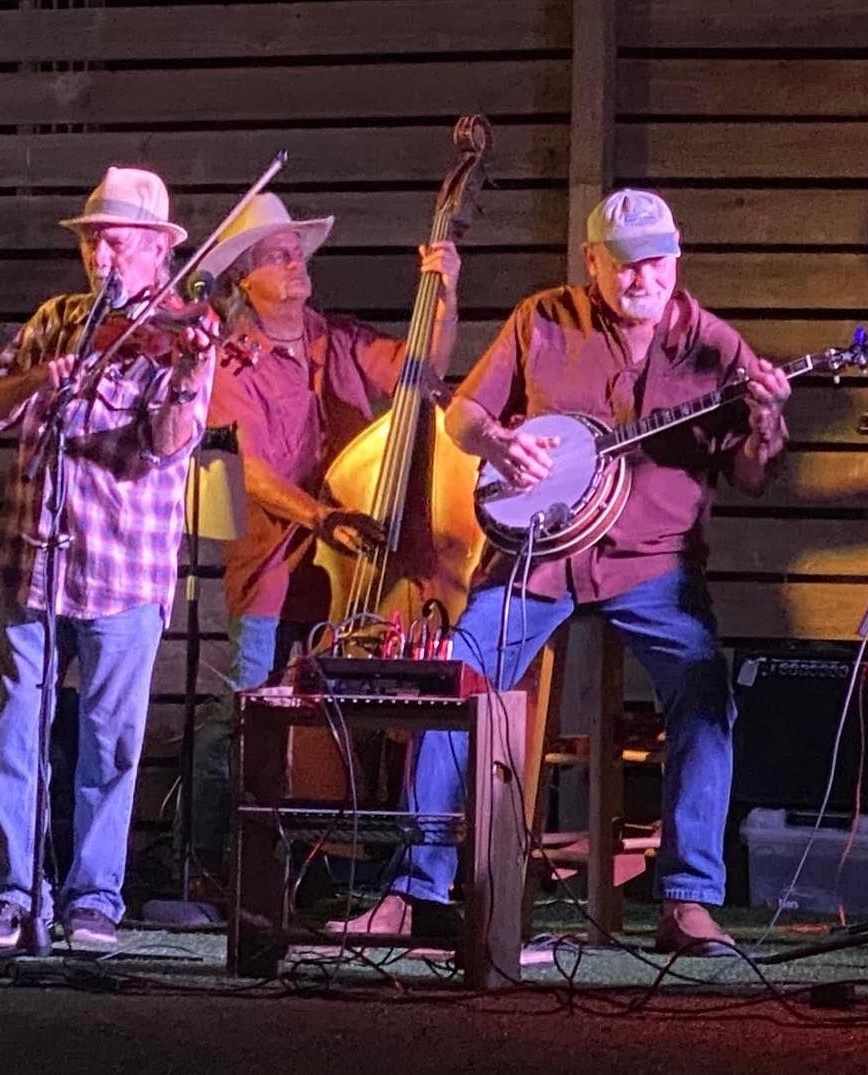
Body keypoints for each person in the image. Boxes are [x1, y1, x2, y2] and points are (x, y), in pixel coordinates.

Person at [332, 188, 791, 956]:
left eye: (654, 263)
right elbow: (463, 415)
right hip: (537, 556)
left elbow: (748, 474)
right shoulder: (542, 318)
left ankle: (688, 899)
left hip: (654, 563)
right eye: (623, 265)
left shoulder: (716, 347)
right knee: (460, 677)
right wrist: (500, 445)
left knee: (706, 693)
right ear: (591, 262)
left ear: (676, 259)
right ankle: (412, 889)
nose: (641, 278)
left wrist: (767, 426)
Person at [0, 166, 218, 949]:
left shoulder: (175, 337)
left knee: (109, 744)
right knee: (15, 734)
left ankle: (93, 899)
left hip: (123, 572)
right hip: (32, 562)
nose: (98, 255)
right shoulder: (56, 319)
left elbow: (167, 447)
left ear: (153, 249)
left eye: (113, 241)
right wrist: (45, 375)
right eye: (92, 241)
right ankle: (14, 893)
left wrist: (188, 373)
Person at [189, 193, 461, 874]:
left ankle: (315, 865)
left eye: (296, 250)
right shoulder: (225, 360)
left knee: (337, 714)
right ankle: (206, 859)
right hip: (274, 568)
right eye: (276, 255)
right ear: (241, 278)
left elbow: (421, 374)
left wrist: (444, 292)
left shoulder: (336, 336)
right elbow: (244, 469)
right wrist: (320, 518)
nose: (295, 261)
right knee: (245, 712)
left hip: (358, 570)